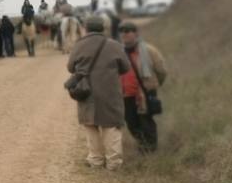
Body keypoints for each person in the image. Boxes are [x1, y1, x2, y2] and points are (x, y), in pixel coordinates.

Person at [67, 16, 131, 170]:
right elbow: (125, 67)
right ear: (103, 28)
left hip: (86, 91)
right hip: (110, 92)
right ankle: (113, 164)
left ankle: (95, 161)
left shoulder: (79, 45)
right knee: (111, 127)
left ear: (86, 28)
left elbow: (70, 68)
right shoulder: (115, 45)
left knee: (91, 126)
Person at [118, 21, 168, 153]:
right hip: (126, 94)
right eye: (122, 31)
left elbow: (161, 71)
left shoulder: (150, 51)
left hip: (144, 94)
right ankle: (142, 145)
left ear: (135, 33)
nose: (124, 34)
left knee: (146, 123)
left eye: (128, 31)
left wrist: (152, 86)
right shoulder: (118, 52)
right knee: (131, 123)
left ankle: (150, 152)